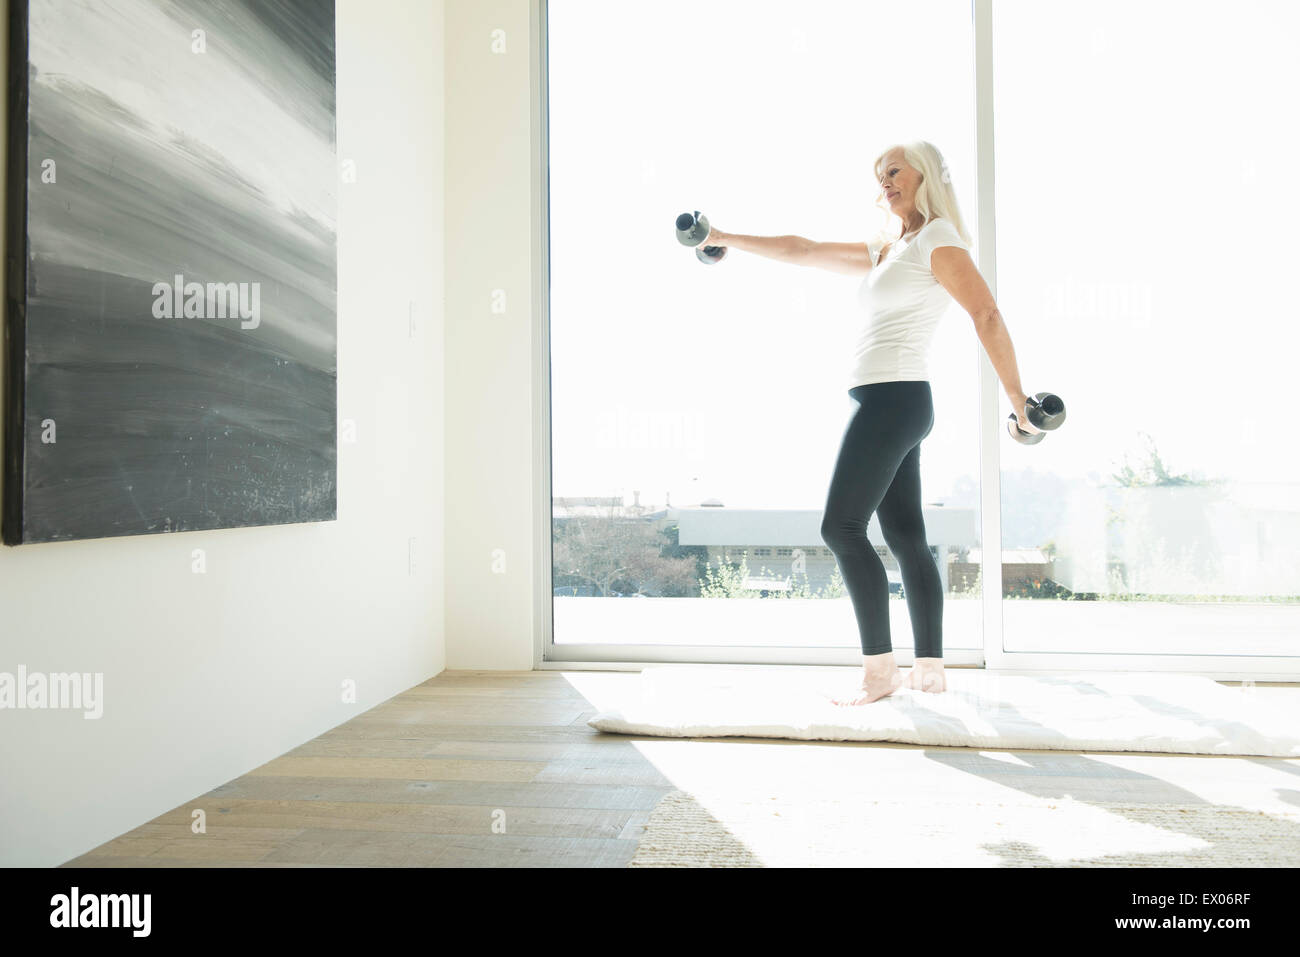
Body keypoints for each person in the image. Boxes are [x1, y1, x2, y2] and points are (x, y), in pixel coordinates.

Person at [697, 140, 1039, 704]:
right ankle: (928, 669)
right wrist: (725, 237)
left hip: (892, 400)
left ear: (924, 173)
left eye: (895, 171)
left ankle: (879, 672)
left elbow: (986, 312)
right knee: (907, 536)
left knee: (841, 528)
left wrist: (1019, 398)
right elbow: (802, 250)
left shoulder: (936, 239)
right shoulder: (889, 246)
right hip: (891, 400)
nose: (885, 182)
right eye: (880, 175)